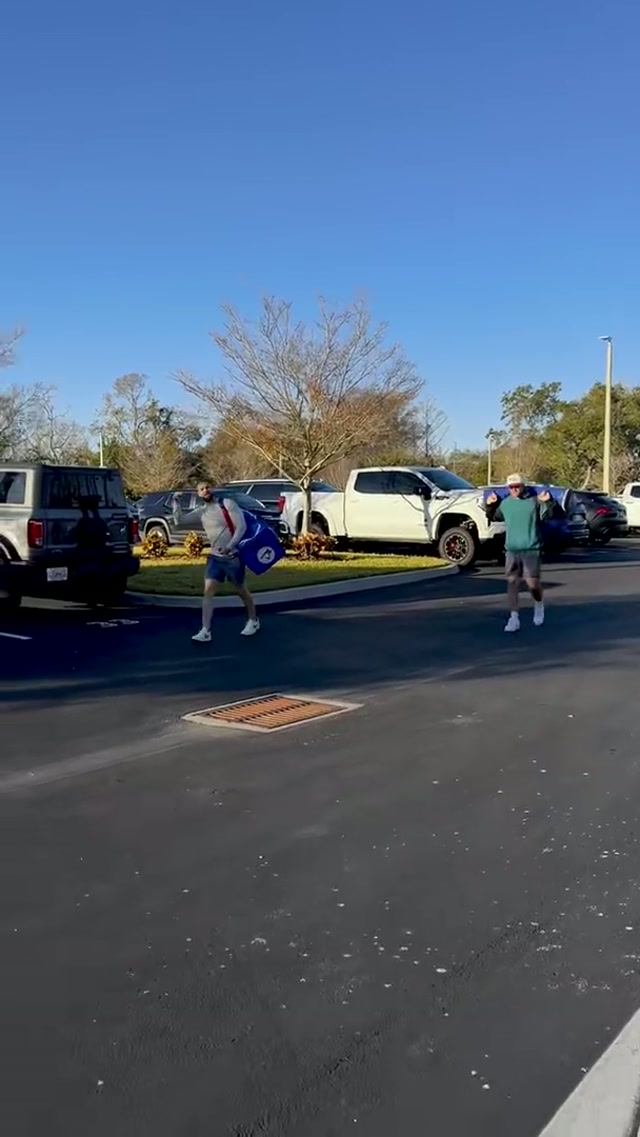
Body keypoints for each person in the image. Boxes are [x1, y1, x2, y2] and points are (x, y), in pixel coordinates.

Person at [172, 483, 260, 643]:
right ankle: (205, 631)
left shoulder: (227, 504)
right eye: (201, 489)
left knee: (241, 590)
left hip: (232, 557)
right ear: (198, 494)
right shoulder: (202, 512)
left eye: (207, 487)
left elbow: (241, 527)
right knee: (208, 593)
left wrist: (229, 546)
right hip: (214, 558)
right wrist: (176, 503)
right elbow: (179, 521)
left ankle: (253, 620)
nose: (205, 490)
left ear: (212, 488)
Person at [485, 474, 553, 633]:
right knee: (512, 582)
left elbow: (549, 515)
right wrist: (490, 505)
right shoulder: (505, 504)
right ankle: (513, 617)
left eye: (517, 486)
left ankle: (538, 604)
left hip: (531, 548)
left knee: (532, 583)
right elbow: (494, 516)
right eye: (511, 487)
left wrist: (548, 502)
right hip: (512, 549)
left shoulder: (534, 502)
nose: (514, 489)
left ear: (523, 486)